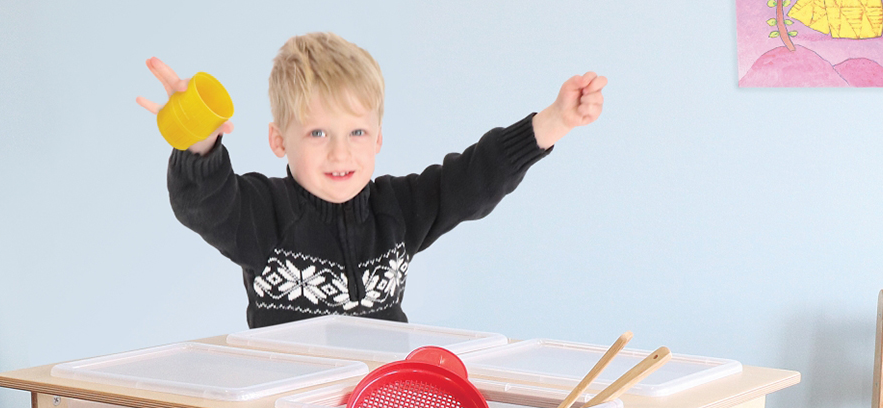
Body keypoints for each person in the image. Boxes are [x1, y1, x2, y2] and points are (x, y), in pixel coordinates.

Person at [138, 33, 606, 328]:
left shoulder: (398, 208)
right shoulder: (262, 213)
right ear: (279, 140)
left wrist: (555, 120)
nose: (340, 152)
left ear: (378, 138)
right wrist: (198, 140)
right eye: (318, 133)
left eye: (357, 133)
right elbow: (207, 203)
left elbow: (474, 179)